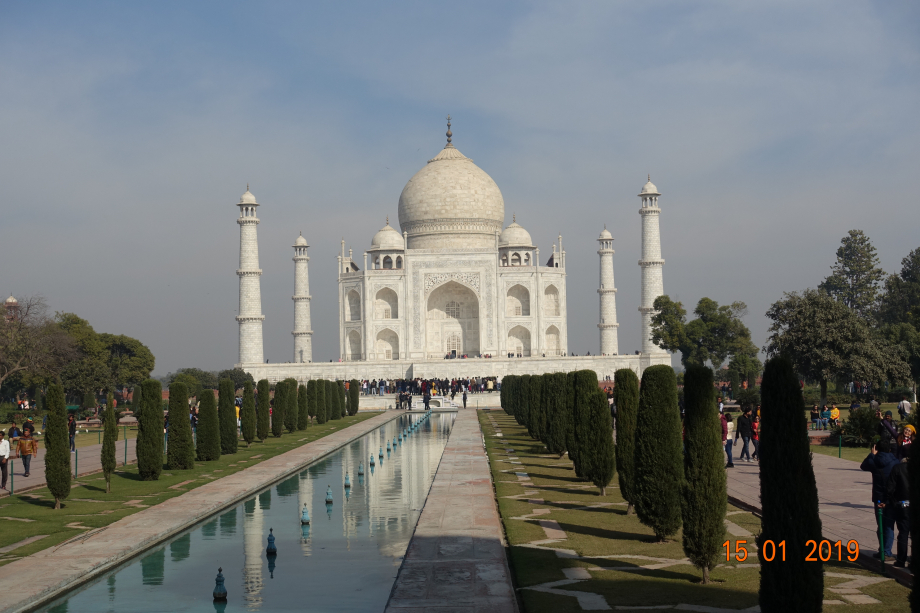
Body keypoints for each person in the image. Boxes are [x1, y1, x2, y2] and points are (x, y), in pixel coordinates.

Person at [860, 440, 897, 560]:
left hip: (878, 496)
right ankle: (886, 551)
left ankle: (883, 550)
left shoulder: (873, 461)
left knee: (880, 524)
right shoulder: (894, 461)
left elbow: (863, 466)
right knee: (889, 525)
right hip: (890, 497)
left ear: (876, 448)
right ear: (890, 449)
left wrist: (872, 454)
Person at [884, 445, 912, 567]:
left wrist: (891, 501)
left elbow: (890, 488)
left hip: (902, 504)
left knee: (903, 533)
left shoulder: (898, 468)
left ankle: (901, 560)